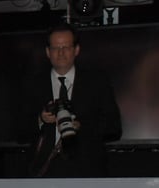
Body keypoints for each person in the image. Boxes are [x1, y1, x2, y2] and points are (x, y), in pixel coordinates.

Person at [23, 23, 121, 177]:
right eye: (56, 48)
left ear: (76, 50)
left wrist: (82, 126)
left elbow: (114, 127)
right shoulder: (33, 84)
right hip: (44, 171)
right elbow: (18, 131)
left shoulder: (97, 82)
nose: (61, 53)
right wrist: (41, 119)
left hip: (87, 170)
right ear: (48, 52)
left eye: (66, 47)